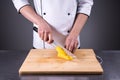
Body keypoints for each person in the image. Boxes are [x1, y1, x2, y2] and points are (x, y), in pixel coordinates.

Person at [12, 0, 93, 52]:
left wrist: (74, 33)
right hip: (42, 46)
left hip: (71, 43)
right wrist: (39, 21)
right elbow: (19, 1)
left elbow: (85, 3)